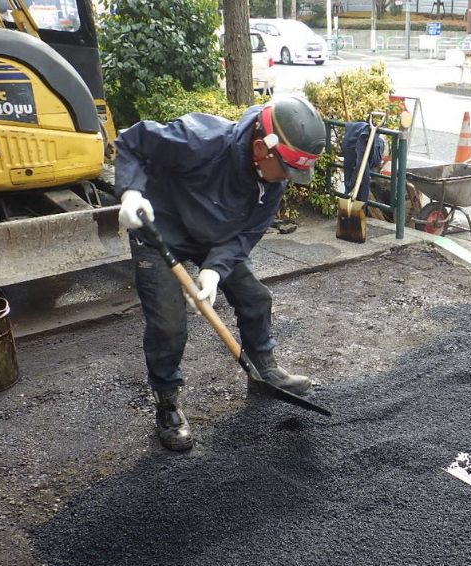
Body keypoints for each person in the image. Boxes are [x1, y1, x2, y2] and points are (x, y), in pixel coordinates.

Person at [114, 96, 326, 451]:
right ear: (261, 148)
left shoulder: (273, 181)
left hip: (214, 237)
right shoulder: (201, 140)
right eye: (286, 169)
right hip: (159, 230)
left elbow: (246, 234)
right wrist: (132, 192)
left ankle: (263, 371)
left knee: (256, 298)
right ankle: (167, 401)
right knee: (168, 324)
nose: (288, 179)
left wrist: (214, 270)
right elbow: (133, 141)